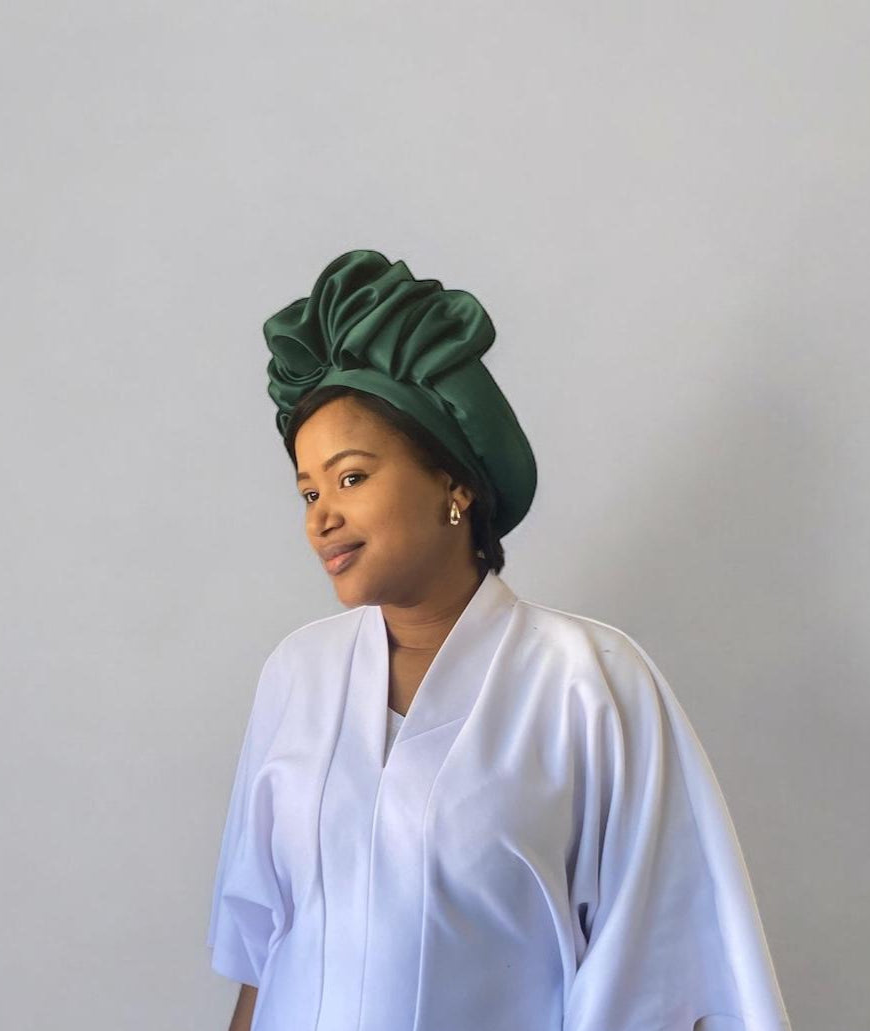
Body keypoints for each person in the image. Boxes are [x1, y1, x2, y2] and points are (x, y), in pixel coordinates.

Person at [206, 249, 792, 1031]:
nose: (319, 515)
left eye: (350, 477)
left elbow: (658, 965)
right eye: (308, 490)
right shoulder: (296, 674)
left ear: (455, 483)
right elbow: (261, 948)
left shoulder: (587, 681)